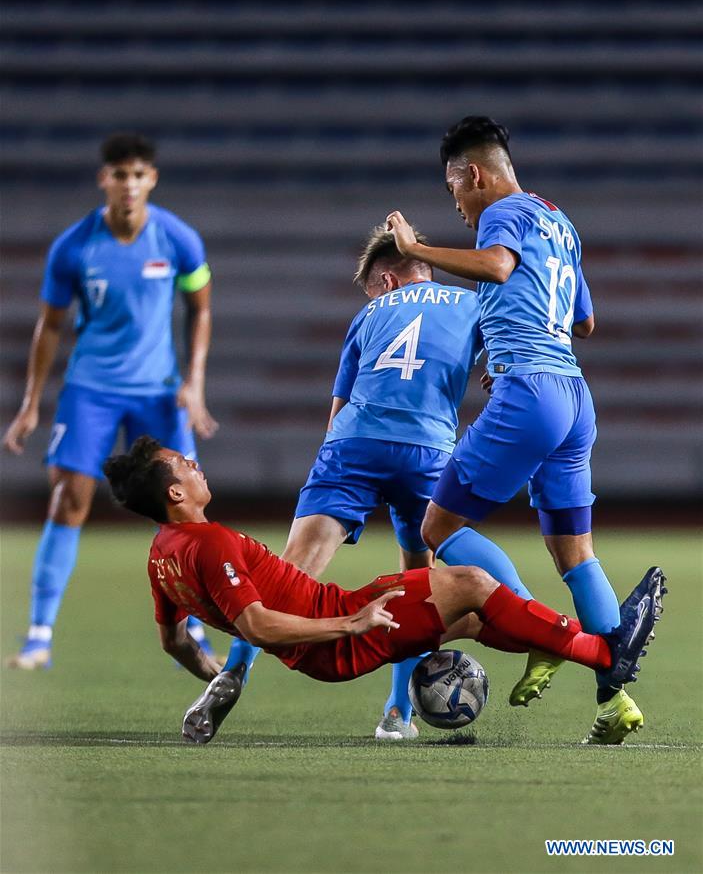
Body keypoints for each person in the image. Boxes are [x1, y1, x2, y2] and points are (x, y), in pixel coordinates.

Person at [102, 436, 664, 746]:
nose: (195, 464)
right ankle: (604, 653)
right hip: (340, 627)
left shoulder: (162, 555)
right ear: (176, 491)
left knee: (474, 618)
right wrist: (350, 624)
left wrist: (213, 674)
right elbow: (256, 625)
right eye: (184, 463)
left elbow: (173, 641)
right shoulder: (211, 542)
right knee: (471, 581)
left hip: (330, 634)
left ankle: (552, 644)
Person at [385, 115, 640, 744]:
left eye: (455, 194)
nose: (462, 208)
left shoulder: (502, 212)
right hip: (576, 399)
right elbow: (584, 323)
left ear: (474, 174)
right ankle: (617, 697)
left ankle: (546, 629)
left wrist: (417, 252)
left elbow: (498, 266)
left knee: (436, 529)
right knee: (575, 552)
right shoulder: (562, 223)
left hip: (529, 390)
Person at [222, 221, 509, 740]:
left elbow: (337, 412)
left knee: (291, 574)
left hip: (353, 444)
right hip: (427, 448)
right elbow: (504, 359)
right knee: (419, 585)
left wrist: (336, 478)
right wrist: (495, 369)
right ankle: (397, 713)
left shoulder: (367, 315)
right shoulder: (473, 303)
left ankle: (234, 668)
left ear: (387, 282)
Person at [3, 132, 219, 670]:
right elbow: (50, 327)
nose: (129, 184)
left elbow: (201, 311)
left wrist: (193, 383)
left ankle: (195, 627)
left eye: (138, 174)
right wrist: (31, 403)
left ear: (152, 179)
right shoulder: (74, 247)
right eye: (119, 174)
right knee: (68, 500)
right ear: (105, 179)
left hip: (159, 390)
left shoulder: (179, 240)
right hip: (91, 389)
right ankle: (38, 636)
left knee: (182, 507)